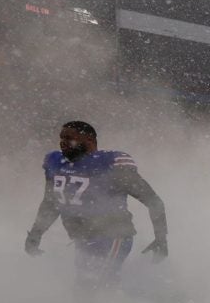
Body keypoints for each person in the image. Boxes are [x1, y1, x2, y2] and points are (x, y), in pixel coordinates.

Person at [25, 121, 168, 287]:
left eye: (69, 138)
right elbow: (51, 203)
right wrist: (35, 233)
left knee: (95, 286)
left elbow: (153, 201)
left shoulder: (110, 164)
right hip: (83, 238)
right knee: (86, 286)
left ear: (89, 141)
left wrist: (161, 238)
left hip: (113, 235)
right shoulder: (56, 162)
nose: (63, 142)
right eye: (61, 138)